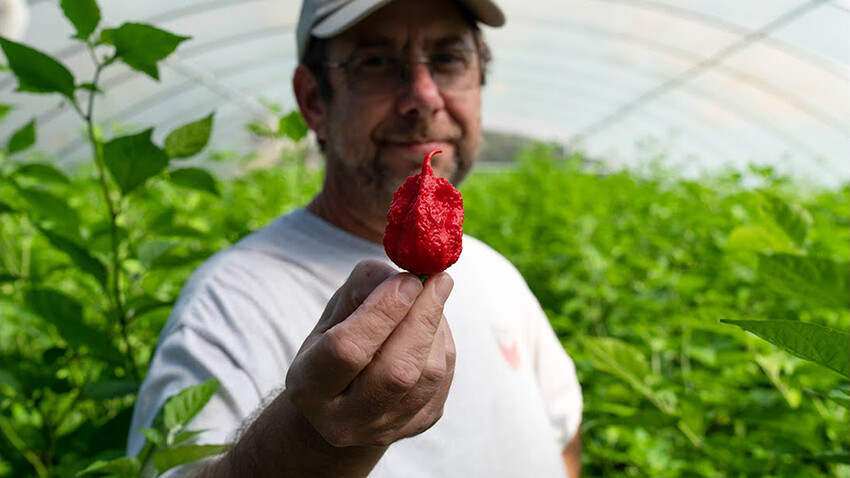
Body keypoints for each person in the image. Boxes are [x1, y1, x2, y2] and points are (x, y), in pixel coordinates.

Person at [127, 0, 584, 476]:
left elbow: (563, 432)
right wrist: (311, 443)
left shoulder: (495, 272)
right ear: (314, 102)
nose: (424, 96)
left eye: (448, 60)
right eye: (377, 63)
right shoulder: (228, 303)